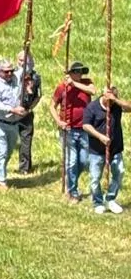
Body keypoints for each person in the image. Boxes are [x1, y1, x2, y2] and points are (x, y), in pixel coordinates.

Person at [52, 60, 95, 204]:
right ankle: (73, 192)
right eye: (76, 71)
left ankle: (71, 183)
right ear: (70, 73)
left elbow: (93, 91)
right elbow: (52, 106)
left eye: (80, 71)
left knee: (84, 161)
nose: (79, 74)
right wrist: (59, 121)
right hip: (68, 129)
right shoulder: (61, 88)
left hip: (84, 129)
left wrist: (74, 84)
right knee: (71, 161)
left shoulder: (86, 83)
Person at [83, 85, 128, 216]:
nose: (112, 103)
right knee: (95, 178)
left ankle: (110, 199)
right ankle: (98, 202)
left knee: (119, 173)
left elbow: (129, 107)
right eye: (110, 100)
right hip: (96, 151)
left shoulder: (116, 106)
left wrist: (116, 100)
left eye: (114, 100)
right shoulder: (92, 107)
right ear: (103, 96)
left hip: (115, 149)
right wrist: (100, 136)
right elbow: (85, 125)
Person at [0, 58, 26, 190]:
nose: (10, 74)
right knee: (2, 152)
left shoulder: (16, 78)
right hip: (0, 123)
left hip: (14, 123)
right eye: (6, 72)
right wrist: (13, 109)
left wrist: (27, 47)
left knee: (9, 152)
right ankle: (1, 181)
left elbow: (28, 65)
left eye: (11, 71)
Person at [17, 48, 42, 176]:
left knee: (26, 140)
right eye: (21, 60)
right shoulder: (13, 75)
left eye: (26, 60)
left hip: (27, 112)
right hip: (13, 111)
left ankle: (24, 167)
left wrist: (30, 109)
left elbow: (38, 95)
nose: (23, 63)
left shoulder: (36, 77)